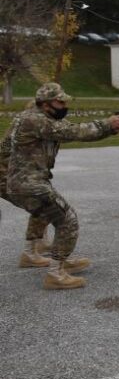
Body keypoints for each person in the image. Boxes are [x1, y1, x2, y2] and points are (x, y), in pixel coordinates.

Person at [6, 83, 119, 289]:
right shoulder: (36, 120)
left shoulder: (37, 118)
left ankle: (38, 255)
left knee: (44, 213)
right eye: (59, 101)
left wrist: (109, 129)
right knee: (67, 220)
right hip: (29, 184)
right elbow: (74, 131)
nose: (64, 105)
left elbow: (70, 130)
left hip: (25, 182)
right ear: (45, 104)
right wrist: (107, 124)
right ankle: (56, 273)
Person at [1, 101, 54, 268]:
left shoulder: (20, 124)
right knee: (43, 204)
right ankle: (30, 254)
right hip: (5, 176)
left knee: (44, 199)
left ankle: (40, 243)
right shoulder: (30, 127)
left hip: (11, 174)